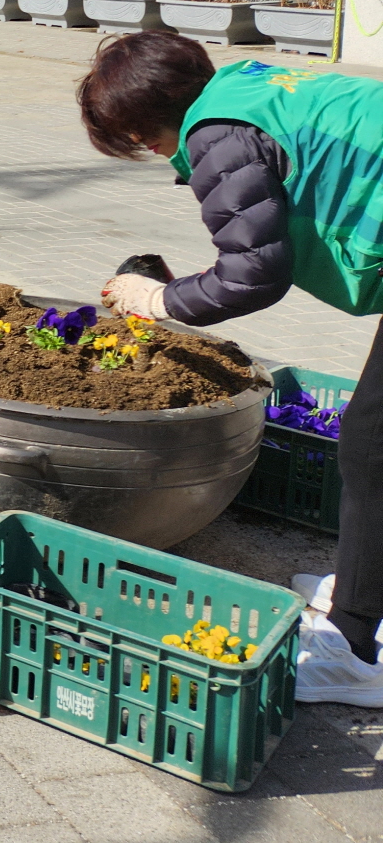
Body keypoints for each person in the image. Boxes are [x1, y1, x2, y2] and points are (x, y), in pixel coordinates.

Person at [79, 33, 383, 667]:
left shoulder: (216, 136)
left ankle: (354, 646)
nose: (149, 152)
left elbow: (252, 274)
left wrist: (155, 300)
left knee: (372, 439)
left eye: (135, 137)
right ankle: (367, 586)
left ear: (143, 121)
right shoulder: (245, 87)